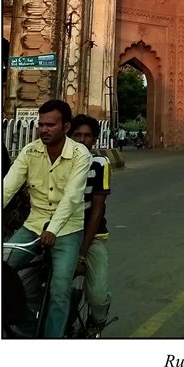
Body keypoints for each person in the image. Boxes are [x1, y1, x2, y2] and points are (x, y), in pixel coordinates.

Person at [3, 99, 91, 338]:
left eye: (50, 125)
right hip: (34, 225)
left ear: (65, 127)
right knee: (2, 270)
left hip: (65, 230)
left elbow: (72, 196)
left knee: (59, 289)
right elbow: (7, 188)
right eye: (41, 125)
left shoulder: (79, 154)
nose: (44, 130)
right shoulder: (30, 151)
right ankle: (27, 327)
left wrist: (53, 229)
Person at [70, 114, 112, 335]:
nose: (82, 140)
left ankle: (97, 322)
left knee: (97, 294)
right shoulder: (55, 160)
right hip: (58, 234)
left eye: (87, 136)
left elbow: (97, 211)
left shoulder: (99, 164)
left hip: (92, 235)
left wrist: (82, 254)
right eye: (77, 135)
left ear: (94, 140)